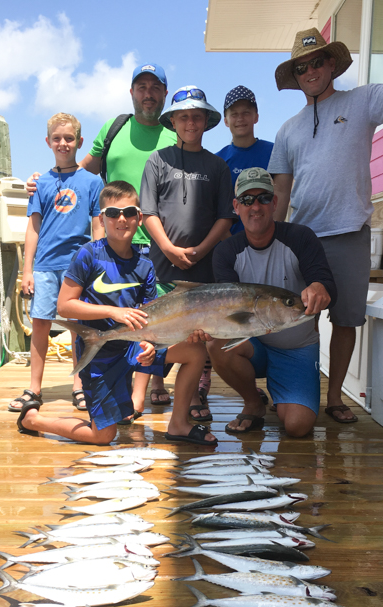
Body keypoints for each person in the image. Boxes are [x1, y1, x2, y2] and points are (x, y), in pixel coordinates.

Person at [268, 6, 383, 423]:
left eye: (317, 61)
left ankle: (335, 397)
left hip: (349, 233)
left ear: (332, 63)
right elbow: (280, 193)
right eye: (301, 66)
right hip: (301, 239)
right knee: (294, 319)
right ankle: (289, 392)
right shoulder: (287, 130)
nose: (310, 70)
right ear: (296, 75)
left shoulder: (363, 101)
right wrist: (273, 240)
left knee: (345, 320)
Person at [16, 180, 217, 447]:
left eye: (129, 212)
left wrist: (147, 344)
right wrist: (114, 311)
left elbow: (149, 317)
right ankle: (33, 420)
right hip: (100, 353)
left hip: (132, 348)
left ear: (140, 218)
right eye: (113, 213)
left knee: (195, 351)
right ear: (102, 218)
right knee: (102, 436)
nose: (121, 219)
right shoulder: (88, 255)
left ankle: (178, 423)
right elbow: (64, 306)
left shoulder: (145, 265)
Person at [26, 64, 177, 409]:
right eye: (142, 86)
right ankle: (106, 380)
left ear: (164, 94)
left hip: (157, 241)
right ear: (132, 92)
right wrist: (41, 179)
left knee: (153, 314)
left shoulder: (175, 131)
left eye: (156, 87)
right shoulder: (116, 127)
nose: (148, 93)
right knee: (115, 315)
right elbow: (81, 170)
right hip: (114, 241)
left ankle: (154, 384)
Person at [206, 167, 336, 438]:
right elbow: (225, 312)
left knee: (298, 426)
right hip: (254, 346)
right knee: (216, 344)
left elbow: (326, 284)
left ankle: (284, 391)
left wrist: (320, 288)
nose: (255, 207)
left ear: (275, 203)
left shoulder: (301, 237)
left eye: (264, 198)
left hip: (297, 349)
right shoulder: (226, 251)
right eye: (246, 200)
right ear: (236, 206)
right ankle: (253, 403)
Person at [139, 85, 236, 421]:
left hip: (203, 267)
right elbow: (148, 211)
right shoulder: (157, 161)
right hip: (162, 266)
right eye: (184, 117)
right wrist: (167, 248)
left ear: (206, 121)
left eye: (197, 116)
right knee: (157, 329)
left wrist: (200, 250)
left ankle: (194, 395)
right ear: (173, 121)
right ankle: (156, 385)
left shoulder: (217, 166)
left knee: (196, 338)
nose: (191, 123)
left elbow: (226, 216)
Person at [8, 112, 103, 414]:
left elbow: (98, 224)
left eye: (69, 138)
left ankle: (79, 386)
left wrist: (98, 262)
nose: (63, 143)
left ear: (80, 142)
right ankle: (34, 389)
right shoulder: (41, 183)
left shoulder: (91, 182)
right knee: (40, 325)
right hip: (46, 266)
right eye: (57, 138)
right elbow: (33, 227)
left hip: (78, 268)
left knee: (77, 327)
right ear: (48, 142)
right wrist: (27, 270)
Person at [215, 86, 274, 235]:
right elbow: (214, 211)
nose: (240, 119)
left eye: (246, 113)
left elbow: (282, 197)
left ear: (256, 117)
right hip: (230, 245)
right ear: (226, 121)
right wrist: (231, 247)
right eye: (234, 114)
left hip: (270, 243)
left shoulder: (275, 152)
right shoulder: (217, 161)